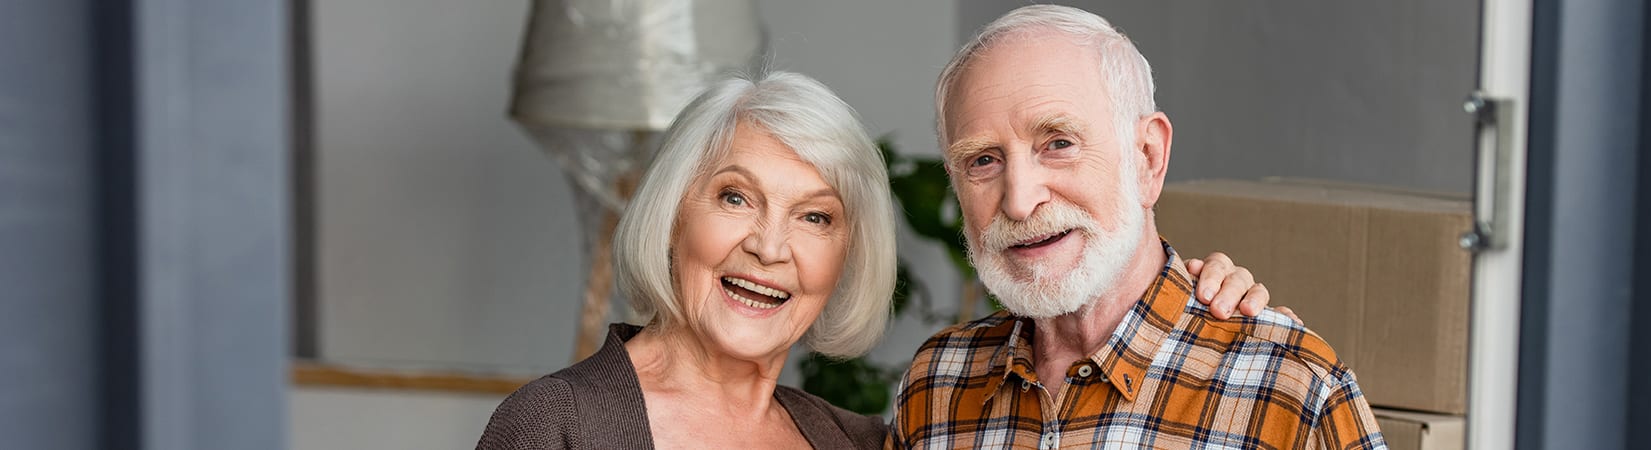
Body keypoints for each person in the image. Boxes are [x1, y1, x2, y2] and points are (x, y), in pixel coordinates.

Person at [477, 71, 1275, 449]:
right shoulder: (556, 427)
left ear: (845, 259)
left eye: (816, 217)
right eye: (734, 197)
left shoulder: (873, 440)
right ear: (673, 214)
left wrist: (1190, 308)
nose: (770, 246)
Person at [890, 5, 1386, 449]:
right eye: (983, 160)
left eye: (1059, 143)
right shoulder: (937, 383)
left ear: (1148, 158)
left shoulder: (1290, 390)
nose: (1019, 202)